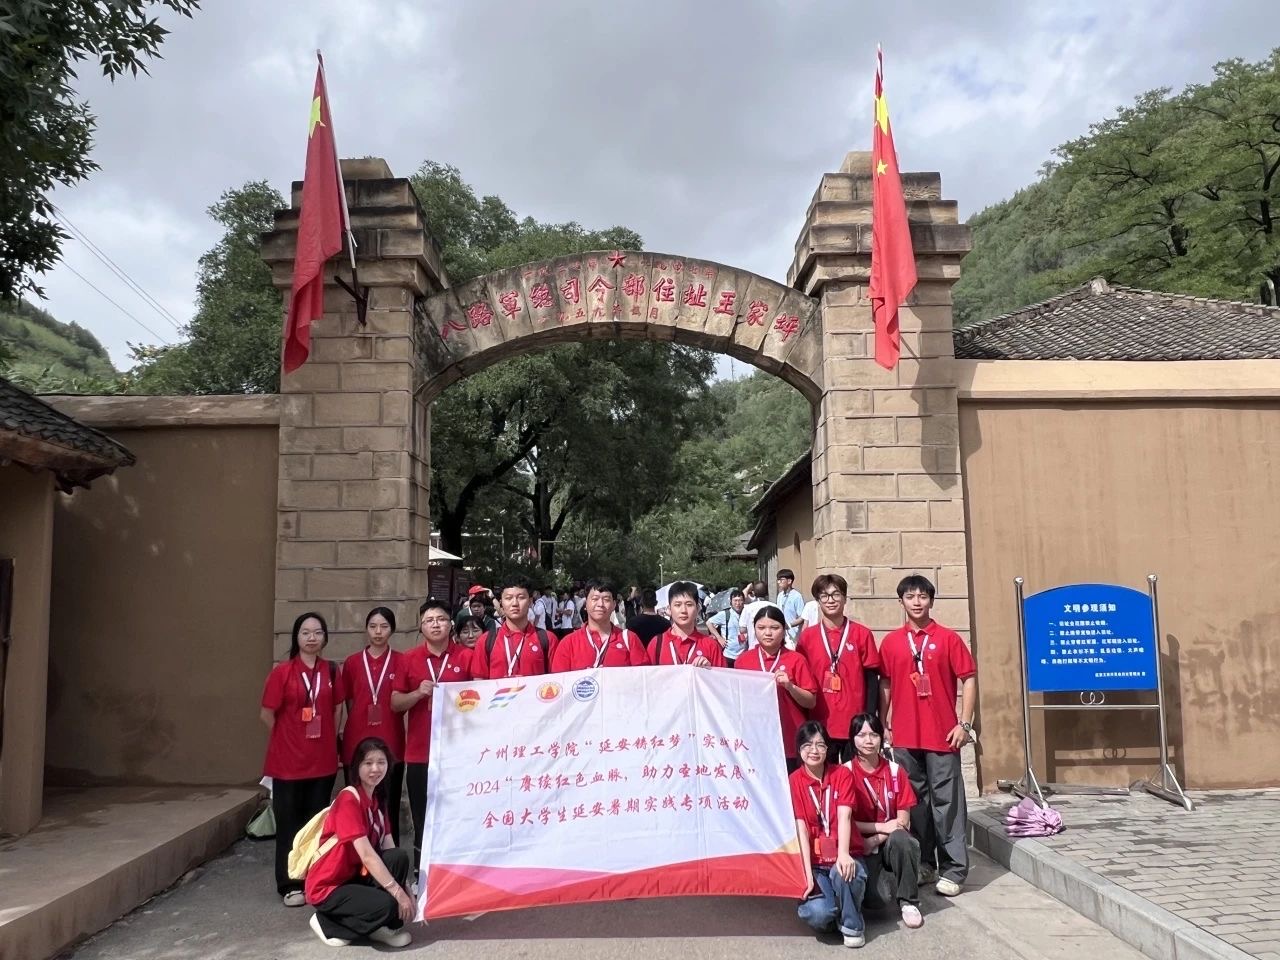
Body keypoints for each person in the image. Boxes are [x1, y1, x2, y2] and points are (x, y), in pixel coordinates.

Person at [879, 574, 977, 897]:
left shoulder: (948, 638)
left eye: (922, 596)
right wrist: (883, 722)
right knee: (915, 803)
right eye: (910, 597)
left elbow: (969, 677)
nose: (917, 602)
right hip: (905, 737)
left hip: (943, 735)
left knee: (948, 803)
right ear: (901, 602)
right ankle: (924, 863)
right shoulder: (891, 642)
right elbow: (885, 684)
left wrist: (964, 724)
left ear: (931, 601)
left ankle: (954, 869)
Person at [259, 612, 344, 907]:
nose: (311, 638)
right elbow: (267, 714)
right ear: (296, 637)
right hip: (288, 764)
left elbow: (337, 709)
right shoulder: (282, 672)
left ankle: (314, 879)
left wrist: (329, 741)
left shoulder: (331, 671)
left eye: (317, 632)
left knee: (316, 824)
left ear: (325, 638)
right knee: (289, 825)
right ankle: (289, 884)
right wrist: (289, 737)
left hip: (322, 762)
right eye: (305, 632)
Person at [305, 736, 415, 949]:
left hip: (355, 875)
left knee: (398, 857)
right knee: (388, 904)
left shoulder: (377, 800)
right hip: (330, 885)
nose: (375, 769)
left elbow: (389, 848)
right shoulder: (348, 799)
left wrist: (407, 889)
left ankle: (382, 926)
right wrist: (397, 893)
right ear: (357, 767)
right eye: (368, 763)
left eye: (381, 762)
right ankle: (327, 923)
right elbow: (367, 855)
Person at [391, 598, 474, 869]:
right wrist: (417, 693)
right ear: (421, 626)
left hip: (459, 752)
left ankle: (456, 870)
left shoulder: (466, 656)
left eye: (441, 619)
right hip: (420, 752)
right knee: (422, 815)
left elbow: (481, 698)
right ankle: (422, 871)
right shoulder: (408, 659)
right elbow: (395, 704)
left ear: (451, 624)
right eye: (429, 621)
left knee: (458, 814)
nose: (435, 625)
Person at [791, 721, 867, 948]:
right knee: (817, 913)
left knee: (846, 872)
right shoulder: (794, 781)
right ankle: (840, 909)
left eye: (820, 745)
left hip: (845, 855)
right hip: (816, 864)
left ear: (828, 748)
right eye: (807, 745)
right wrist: (806, 875)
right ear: (799, 749)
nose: (814, 750)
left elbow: (844, 815)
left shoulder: (841, 774)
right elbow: (801, 829)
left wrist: (843, 853)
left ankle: (853, 926)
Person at [846, 713, 923, 929]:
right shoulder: (845, 772)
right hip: (859, 845)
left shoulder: (895, 771)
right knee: (876, 901)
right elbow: (845, 821)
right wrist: (881, 828)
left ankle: (909, 901)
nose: (868, 740)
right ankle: (882, 880)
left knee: (904, 840)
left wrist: (876, 838)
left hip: (889, 841)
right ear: (852, 738)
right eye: (861, 735)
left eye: (874, 734)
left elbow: (903, 822)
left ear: (882, 737)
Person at [796, 574, 881, 764]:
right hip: (820, 722)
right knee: (826, 776)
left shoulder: (862, 634)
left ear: (844, 598)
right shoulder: (807, 638)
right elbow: (801, 680)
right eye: (824, 596)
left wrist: (869, 717)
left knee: (856, 775)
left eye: (836, 594)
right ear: (818, 601)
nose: (830, 600)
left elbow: (872, 679)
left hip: (855, 723)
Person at [340, 607, 406, 845]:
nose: (378, 632)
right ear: (366, 629)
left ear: (392, 630)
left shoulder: (401, 661)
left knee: (389, 804)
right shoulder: (352, 662)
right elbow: (349, 702)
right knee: (357, 805)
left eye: (384, 626)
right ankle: (357, 856)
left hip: (391, 740)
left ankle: (390, 858)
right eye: (373, 626)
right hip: (357, 741)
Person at [735, 605, 817, 770]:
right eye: (761, 628)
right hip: (754, 740)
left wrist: (790, 686)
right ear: (754, 630)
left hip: (789, 739)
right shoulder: (742, 661)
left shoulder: (796, 660)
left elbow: (811, 702)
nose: (768, 633)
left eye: (774, 628)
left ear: (784, 629)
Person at [551, 578, 651, 671]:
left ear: (614, 605)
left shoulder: (630, 639)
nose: (600, 604)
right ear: (586, 604)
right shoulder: (568, 643)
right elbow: (559, 682)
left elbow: (643, 679)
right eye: (595, 599)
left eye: (606, 599)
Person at [472, 576, 555, 679]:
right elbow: (479, 681)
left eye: (521, 597)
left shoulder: (548, 639)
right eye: (508, 598)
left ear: (530, 602)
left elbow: (556, 681)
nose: (515, 603)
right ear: (501, 603)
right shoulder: (485, 640)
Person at [647, 581, 725, 667]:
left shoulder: (711, 645)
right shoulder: (656, 644)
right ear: (669, 609)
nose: (683, 610)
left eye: (689, 604)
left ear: (697, 609)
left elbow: (722, 675)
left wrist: (710, 670)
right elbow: (647, 674)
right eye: (677, 605)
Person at [706, 588, 747, 666]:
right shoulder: (725, 614)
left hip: (743, 654)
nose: (738, 603)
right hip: (729, 655)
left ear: (743, 601)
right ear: (731, 602)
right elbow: (709, 623)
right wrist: (719, 637)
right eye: (735, 601)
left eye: (740, 600)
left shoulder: (746, 613)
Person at [776, 569, 806, 646]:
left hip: (793, 635)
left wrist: (789, 625)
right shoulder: (780, 595)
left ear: (789, 581)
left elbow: (802, 617)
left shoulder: (797, 596)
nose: (778, 582)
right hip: (781, 634)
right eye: (778, 580)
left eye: (781, 580)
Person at [740, 581, 770, 650]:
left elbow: (742, 629)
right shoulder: (775, 607)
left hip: (753, 647)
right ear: (767, 593)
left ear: (754, 593)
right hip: (770, 647)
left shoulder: (748, 608)